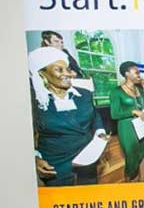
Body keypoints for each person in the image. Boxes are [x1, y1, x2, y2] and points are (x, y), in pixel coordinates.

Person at [28, 46, 106, 186]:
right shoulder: (34, 102)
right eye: (59, 69)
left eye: (68, 69)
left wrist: (100, 132)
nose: (68, 74)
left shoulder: (84, 94)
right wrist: (34, 158)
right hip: (56, 167)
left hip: (87, 160)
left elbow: (95, 116)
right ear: (42, 74)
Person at [110, 61, 144, 182]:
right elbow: (114, 114)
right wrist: (133, 112)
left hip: (143, 125)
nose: (139, 74)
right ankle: (128, 184)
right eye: (136, 72)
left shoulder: (140, 88)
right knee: (131, 156)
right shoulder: (116, 91)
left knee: (142, 153)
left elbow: (143, 105)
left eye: (139, 72)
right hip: (127, 128)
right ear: (127, 74)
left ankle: (142, 181)